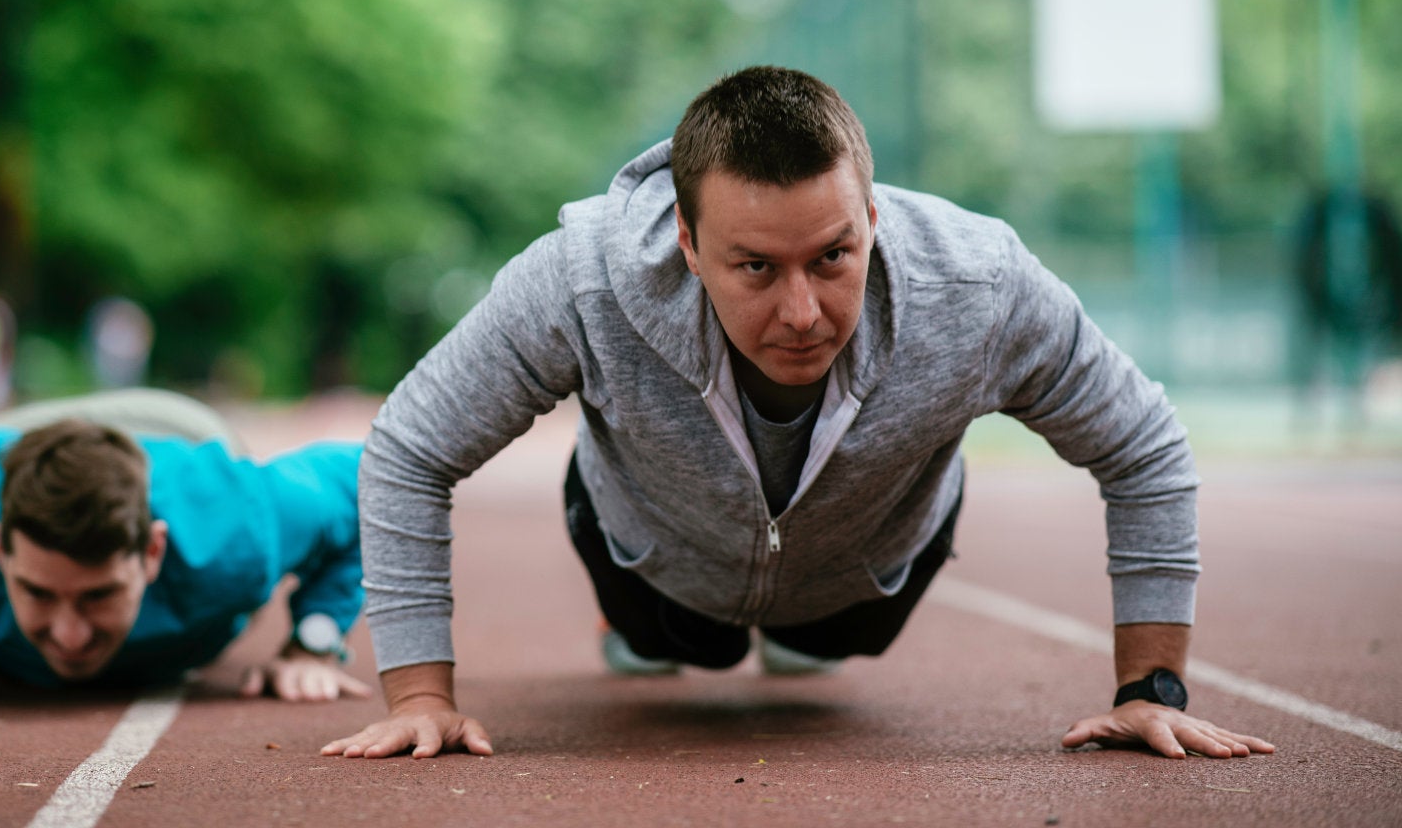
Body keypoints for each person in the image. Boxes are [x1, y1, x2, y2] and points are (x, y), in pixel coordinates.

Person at [324, 66, 1275, 761]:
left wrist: (1152, 686)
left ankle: (796, 636)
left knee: (826, 644)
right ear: (689, 245)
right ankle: (651, 636)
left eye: (831, 256)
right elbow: (410, 448)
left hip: (865, 576)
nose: (802, 312)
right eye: (754, 267)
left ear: (873, 222)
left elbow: (1144, 445)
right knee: (672, 642)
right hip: (655, 564)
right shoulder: (580, 282)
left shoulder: (980, 289)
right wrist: (419, 694)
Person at [0, 388, 369, 709]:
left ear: (152, 552)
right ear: (0, 548)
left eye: (98, 595)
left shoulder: (239, 530)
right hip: (15, 439)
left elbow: (371, 480)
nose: (69, 634)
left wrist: (314, 641)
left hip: (172, 428)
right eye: (38, 592)